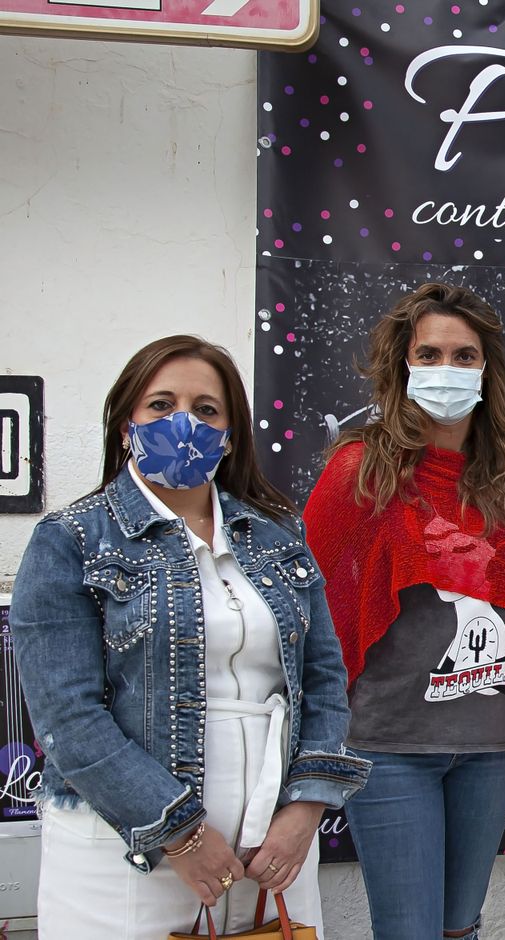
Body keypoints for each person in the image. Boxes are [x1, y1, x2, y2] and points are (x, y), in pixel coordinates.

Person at [10, 336, 370, 938]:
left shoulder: (277, 534)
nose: (183, 423)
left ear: (230, 434)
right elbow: (65, 715)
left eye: (206, 409)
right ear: (126, 423)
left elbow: (325, 678)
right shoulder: (71, 538)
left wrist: (307, 808)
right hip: (131, 851)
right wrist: (178, 832)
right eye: (160, 404)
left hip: (272, 850)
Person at [303, 282, 505, 940]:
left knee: (460, 927)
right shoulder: (359, 473)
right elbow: (311, 612)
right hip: (390, 747)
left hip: (493, 743)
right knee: (408, 931)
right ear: (402, 366)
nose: (448, 370)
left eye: (464, 356)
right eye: (431, 354)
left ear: (486, 369)